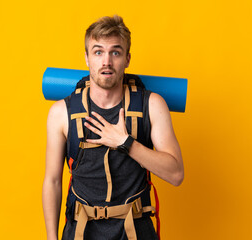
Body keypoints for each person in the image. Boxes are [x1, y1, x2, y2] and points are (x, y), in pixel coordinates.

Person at [42, 15, 184, 240]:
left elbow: (176, 174)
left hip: (135, 232)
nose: (106, 61)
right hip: (81, 232)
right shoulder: (61, 113)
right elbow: (52, 181)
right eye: (98, 52)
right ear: (87, 58)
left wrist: (126, 143)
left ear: (127, 59)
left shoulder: (152, 105)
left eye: (115, 52)